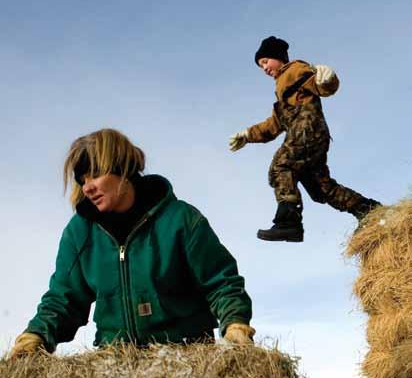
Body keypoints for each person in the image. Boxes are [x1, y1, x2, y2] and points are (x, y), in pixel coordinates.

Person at [10, 129, 254, 358]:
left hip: (186, 354)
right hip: (116, 361)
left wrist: (235, 323)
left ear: (123, 169)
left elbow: (221, 282)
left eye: (95, 175)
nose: (87, 188)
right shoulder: (79, 233)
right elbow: (64, 298)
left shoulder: (180, 220)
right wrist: (36, 335)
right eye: (82, 180)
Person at [229, 36, 380, 242]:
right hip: (313, 135)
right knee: (321, 188)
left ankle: (288, 222)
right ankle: (369, 211)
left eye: (265, 62)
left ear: (278, 57)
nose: (264, 68)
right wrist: (248, 134)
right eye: (260, 66)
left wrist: (327, 79)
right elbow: (274, 124)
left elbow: (319, 84)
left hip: (307, 129)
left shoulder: (294, 69)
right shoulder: (282, 89)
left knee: (281, 165)